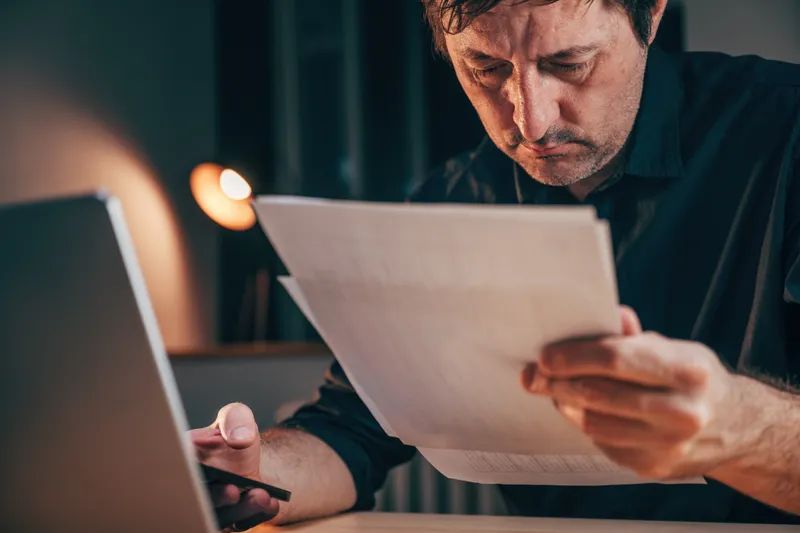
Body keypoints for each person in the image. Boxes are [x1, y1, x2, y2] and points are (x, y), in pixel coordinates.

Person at [191, 0, 800, 528]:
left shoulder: (786, 132)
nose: (532, 121)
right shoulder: (447, 203)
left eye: (569, 64)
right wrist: (252, 471)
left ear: (652, 15)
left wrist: (739, 426)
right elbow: (350, 434)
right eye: (486, 69)